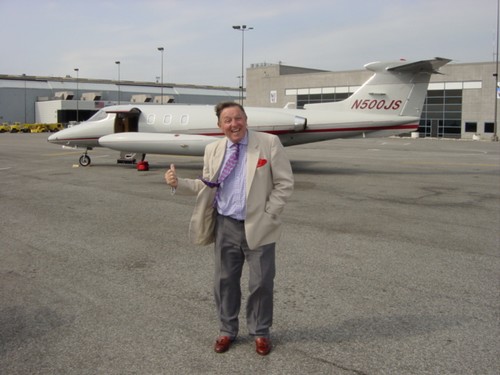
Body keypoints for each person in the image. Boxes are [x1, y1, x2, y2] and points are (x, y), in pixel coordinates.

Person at [164, 101, 294, 355]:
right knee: (224, 282)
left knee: (262, 283)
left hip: (260, 226)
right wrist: (177, 183)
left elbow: (284, 183)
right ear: (220, 125)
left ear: (246, 119)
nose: (234, 124)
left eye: (238, 118)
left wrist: (269, 214)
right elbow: (207, 185)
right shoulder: (213, 149)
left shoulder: (268, 143)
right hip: (226, 225)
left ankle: (260, 332)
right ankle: (227, 330)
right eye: (228, 120)